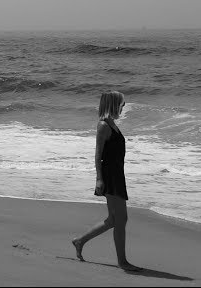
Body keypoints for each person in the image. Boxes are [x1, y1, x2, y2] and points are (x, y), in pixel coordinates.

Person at [72, 90, 141, 272]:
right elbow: (98, 155)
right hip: (110, 175)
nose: (123, 106)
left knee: (113, 219)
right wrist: (99, 179)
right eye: (121, 103)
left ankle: (80, 241)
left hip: (118, 173)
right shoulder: (103, 125)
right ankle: (122, 262)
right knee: (120, 219)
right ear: (112, 104)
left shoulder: (112, 123)